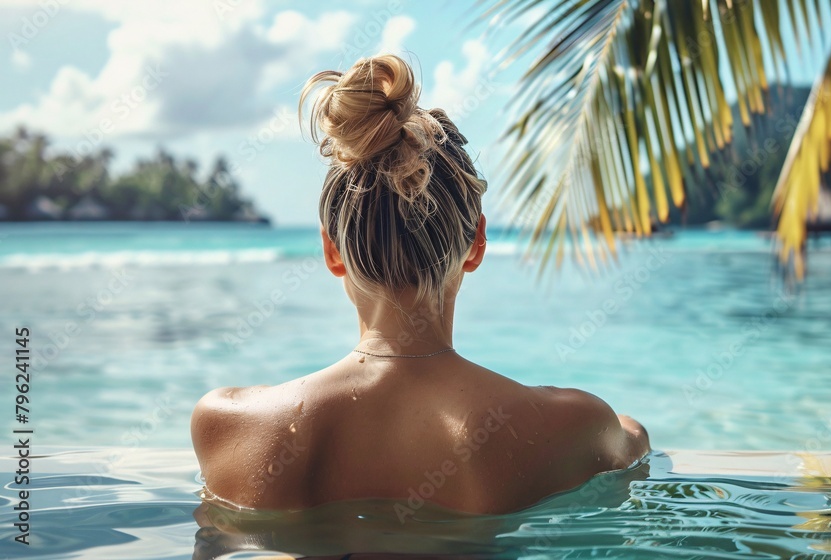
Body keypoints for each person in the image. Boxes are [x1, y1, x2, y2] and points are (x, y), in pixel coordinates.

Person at [190, 54, 649, 515]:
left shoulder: (227, 424)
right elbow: (633, 441)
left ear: (332, 251)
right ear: (476, 243)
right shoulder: (569, 425)